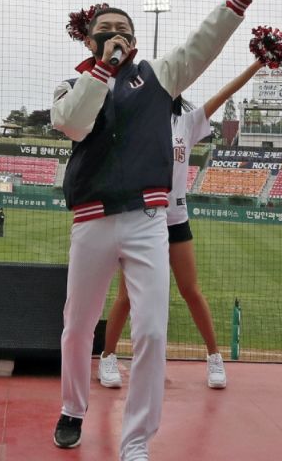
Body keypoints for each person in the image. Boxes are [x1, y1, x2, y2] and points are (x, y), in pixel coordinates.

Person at [51, 0, 282, 459]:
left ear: (133, 42)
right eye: (104, 29)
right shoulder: (71, 86)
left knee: (153, 331)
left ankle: (136, 440)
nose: (114, 34)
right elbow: (74, 125)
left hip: (148, 219)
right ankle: (73, 407)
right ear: (89, 40)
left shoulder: (159, 75)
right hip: (91, 220)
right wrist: (100, 71)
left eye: (122, 30)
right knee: (76, 326)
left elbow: (204, 43)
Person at [97, 59, 267, 394]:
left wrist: (258, 64)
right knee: (126, 296)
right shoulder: (137, 122)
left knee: (190, 290)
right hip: (141, 216)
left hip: (175, 219)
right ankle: (107, 356)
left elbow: (226, 91)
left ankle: (215, 358)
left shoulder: (186, 123)